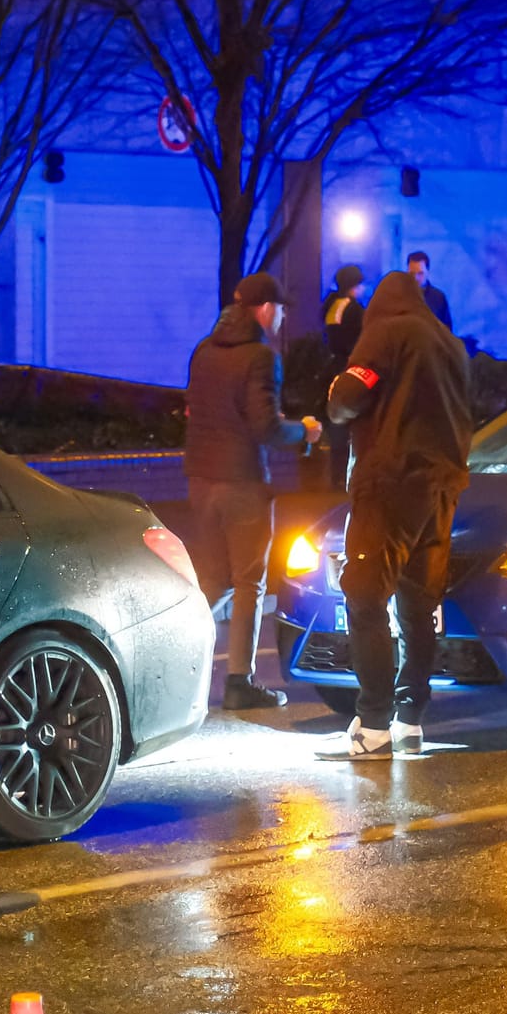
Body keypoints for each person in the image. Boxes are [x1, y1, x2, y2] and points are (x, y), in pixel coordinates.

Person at [316, 270, 473, 761]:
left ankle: (373, 725)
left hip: (390, 484)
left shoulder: (388, 332)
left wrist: (336, 393)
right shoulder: (451, 345)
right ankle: (410, 721)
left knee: (364, 596)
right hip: (441, 488)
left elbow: (346, 399)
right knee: (417, 606)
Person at [185, 271, 321, 710]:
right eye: (280, 309)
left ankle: (172, 663)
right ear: (264, 309)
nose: (281, 317)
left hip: (201, 482)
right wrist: (304, 431)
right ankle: (240, 682)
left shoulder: (203, 350)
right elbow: (265, 427)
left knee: (211, 581)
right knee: (249, 583)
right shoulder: (260, 357)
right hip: (242, 482)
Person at [320, 265, 367, 490]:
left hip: (332, 369)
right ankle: (349, 478)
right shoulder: (354, 310)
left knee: (336, 423)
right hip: (350, 368)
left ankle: (336, 477)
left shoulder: (331, 305)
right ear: (354, 286)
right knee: (352, 425)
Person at [407, 251, 453, 330]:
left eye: (420, 273)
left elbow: (447, 331)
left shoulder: (438, 298)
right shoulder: (398, 296)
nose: (415, 278)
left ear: (428, 272)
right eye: (412, 274)